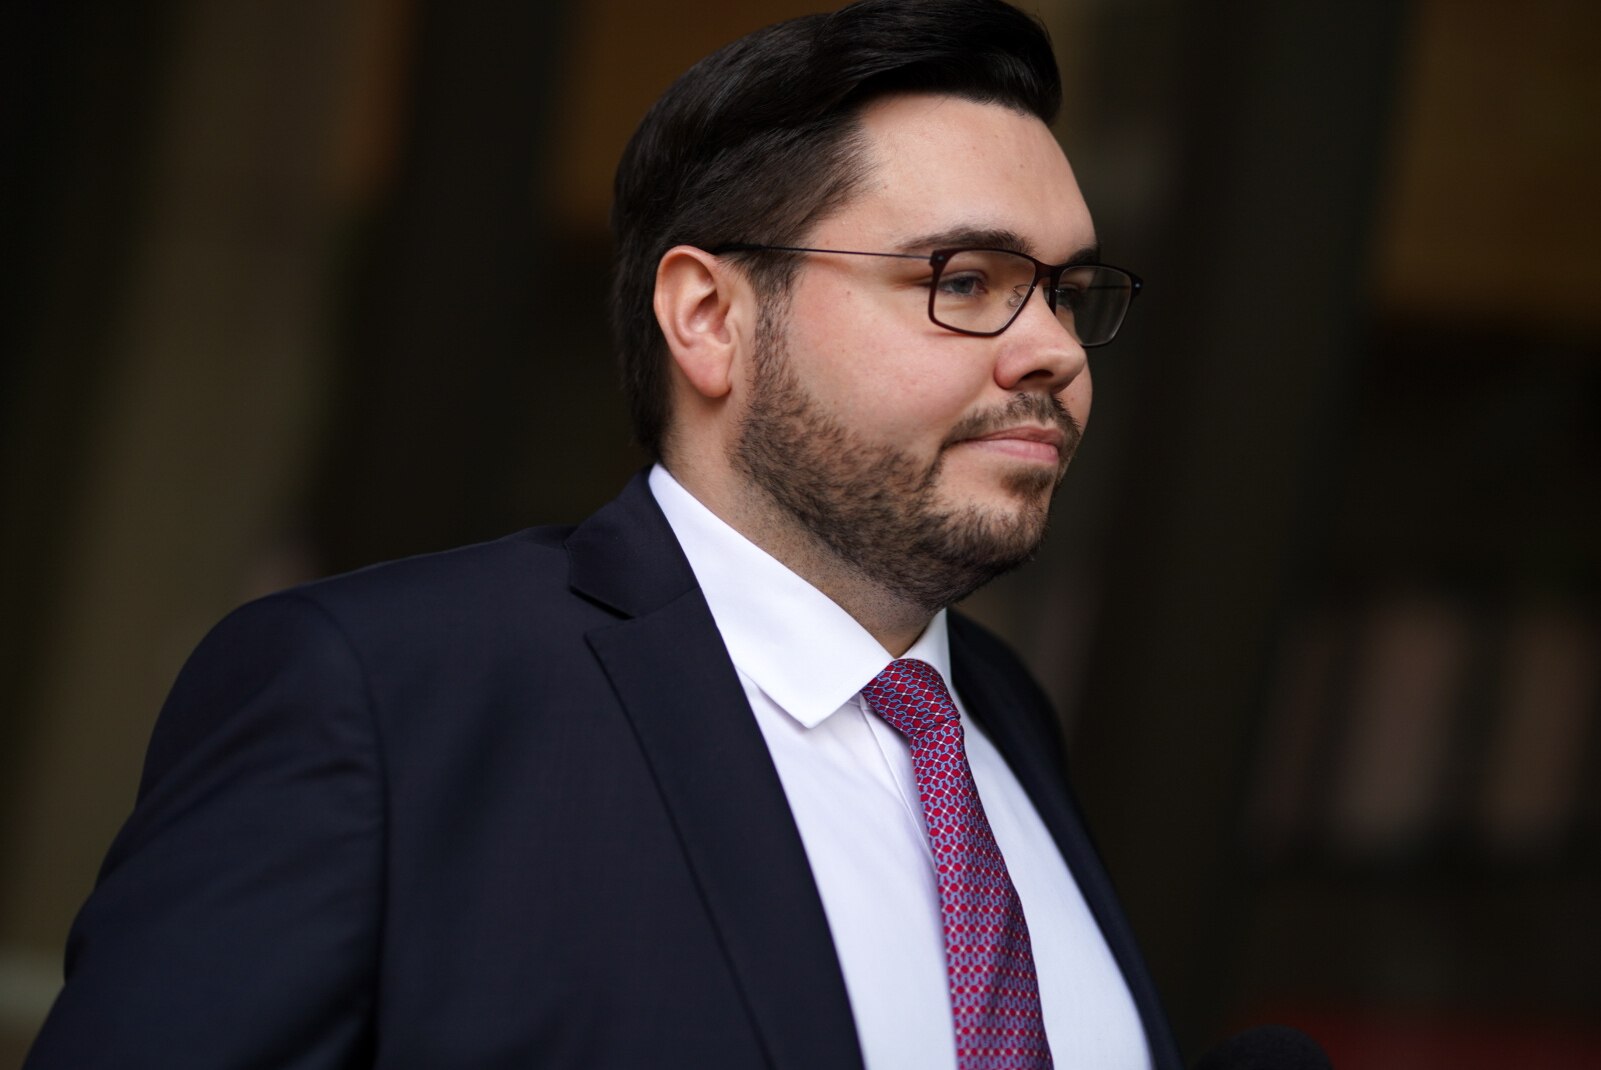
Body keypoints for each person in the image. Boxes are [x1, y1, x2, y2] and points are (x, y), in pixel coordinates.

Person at [25, 1, 1178, 1067]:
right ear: (709, 316)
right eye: (965, 278)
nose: (1054, 351)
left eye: (1067, 293)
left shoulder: (1002, 717)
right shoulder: (385, 695)